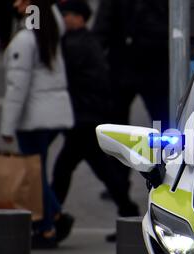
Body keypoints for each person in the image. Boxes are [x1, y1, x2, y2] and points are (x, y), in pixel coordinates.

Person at [51, 0, 140, 237]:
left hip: (83, 119)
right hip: (88, 118)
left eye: (67, 14)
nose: (64, 19)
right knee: (101, 171)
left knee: (65, 170)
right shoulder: (85, 42)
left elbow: (75, 83)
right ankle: (129, 214)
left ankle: (52, 220)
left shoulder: (76, 45)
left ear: (80, 17)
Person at [0, 0, 74, 249]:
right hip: (52, 115)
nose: (17, 4)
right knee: (37, 169)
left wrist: (7, 126)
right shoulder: (49, 32)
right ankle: (54, 218)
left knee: (33, 172)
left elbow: (16, 87)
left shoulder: (25, 40)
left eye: (23, 0)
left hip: (33, 118)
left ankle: (49, 225)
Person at [92, 0, 169, 215]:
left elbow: (102, 29)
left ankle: (120, 183)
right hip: (151, 66)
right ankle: (164, 174)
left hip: (126, 65)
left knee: (119, 130)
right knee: (161, 124)